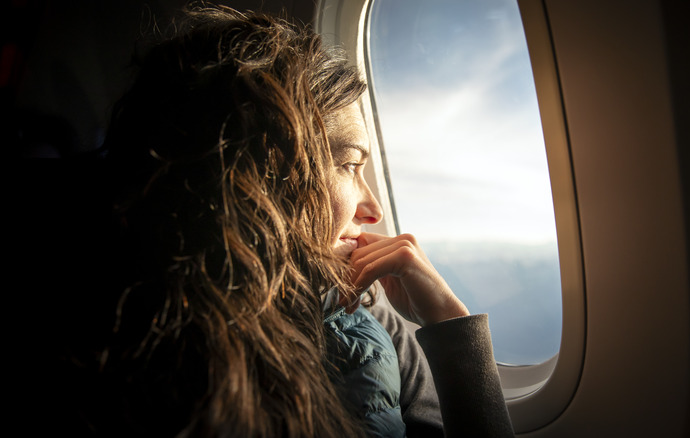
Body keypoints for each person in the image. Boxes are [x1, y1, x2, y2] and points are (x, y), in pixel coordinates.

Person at [65, 5, 513, 437]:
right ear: (260, 175)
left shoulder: (369, 310)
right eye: (349, 165)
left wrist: (449, 323)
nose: (373, 210)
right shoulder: (133, 357)